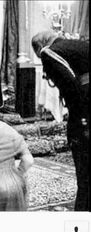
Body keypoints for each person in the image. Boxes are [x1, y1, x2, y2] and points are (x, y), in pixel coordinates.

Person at [31, 30, 89, 211]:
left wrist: (81, 118)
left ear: (40, 46)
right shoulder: (80, 45)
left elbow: (71, 85)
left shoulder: (49, 52)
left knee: (85, 175)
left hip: (85, 115)